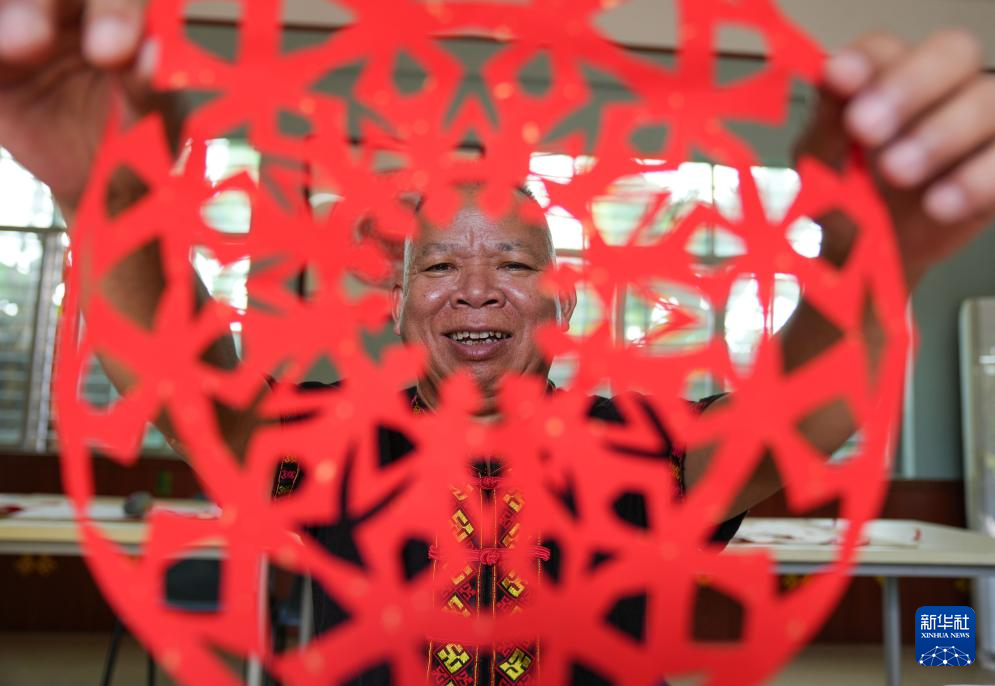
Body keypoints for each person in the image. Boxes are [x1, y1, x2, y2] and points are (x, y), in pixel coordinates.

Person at [2, 1, 994, 683]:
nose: (475, 287)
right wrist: (108, 195)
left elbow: (806, 410)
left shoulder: (643, 448)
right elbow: (184, 391)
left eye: (513, 263)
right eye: (439, 264)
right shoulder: (334, 442)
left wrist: (870, 256)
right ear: (398, 308)